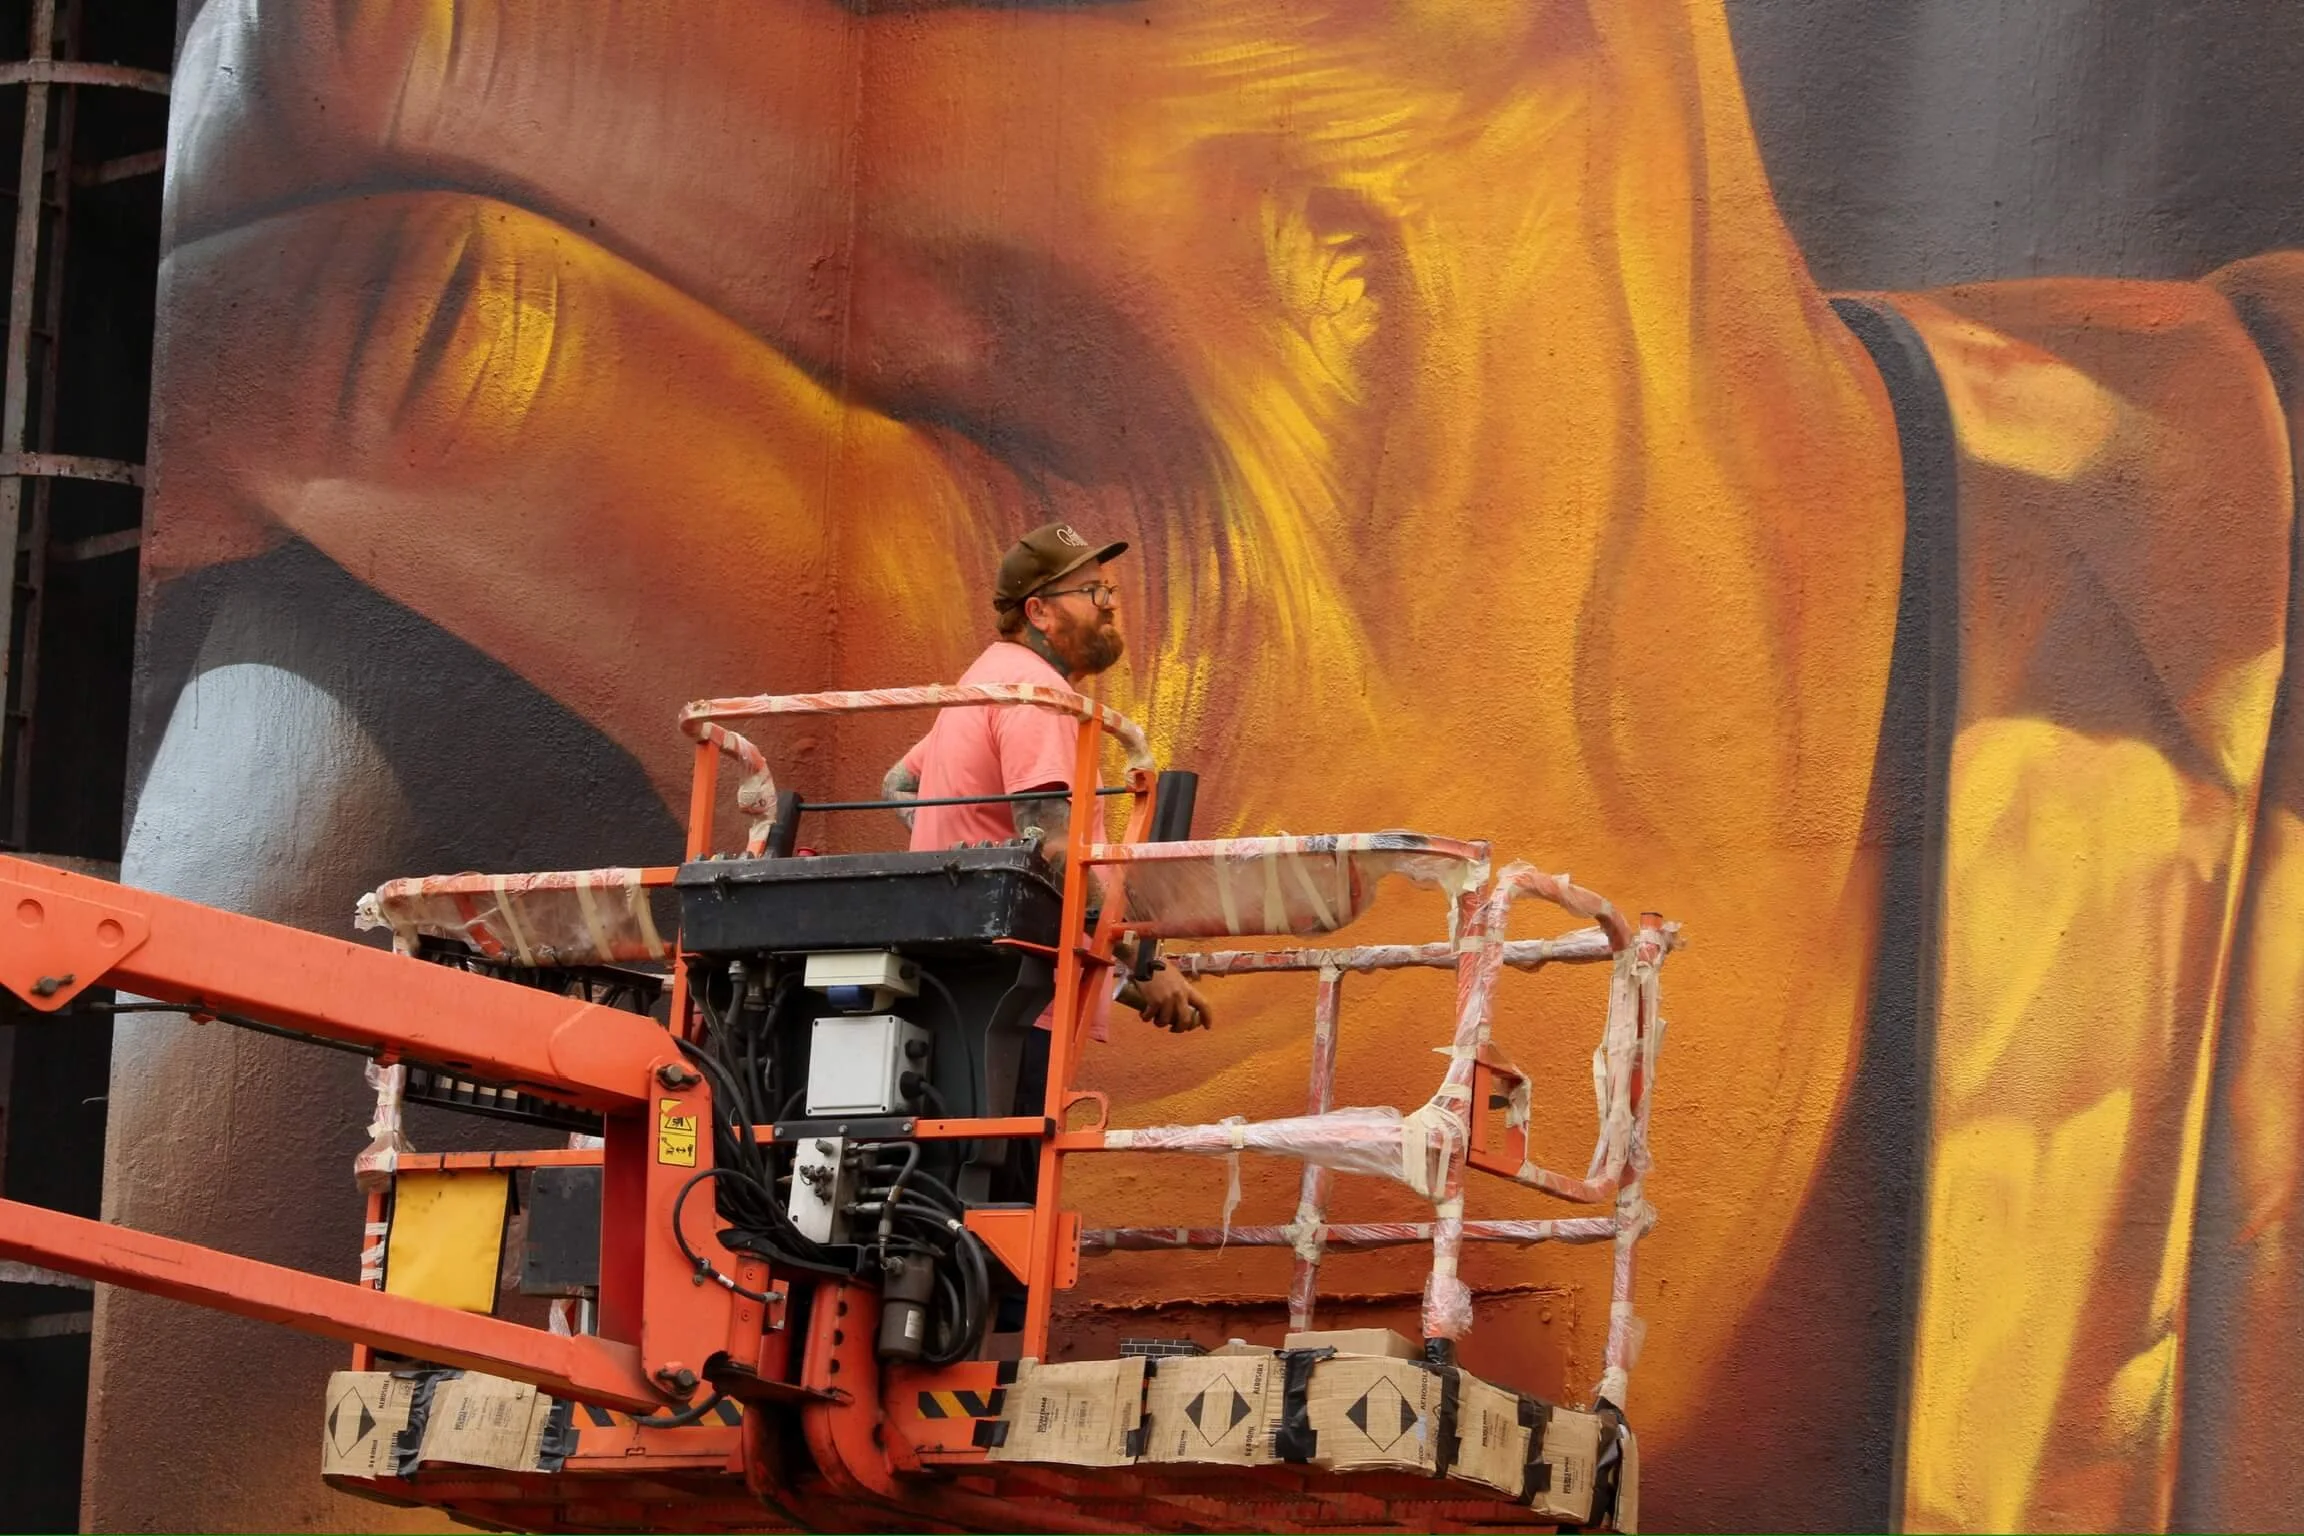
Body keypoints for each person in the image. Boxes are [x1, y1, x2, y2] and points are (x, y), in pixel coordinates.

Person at [884, 522, 1215, 1036]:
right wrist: (1142, 962)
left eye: (1108, 590)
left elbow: (897, 784)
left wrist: (959, 850)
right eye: (1091, 592)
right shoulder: (1038, 693)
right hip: (1011, 989)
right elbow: (1054, 850)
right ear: (1037, 612)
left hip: (971, 977)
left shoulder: (987, 680)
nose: (1108, 603)